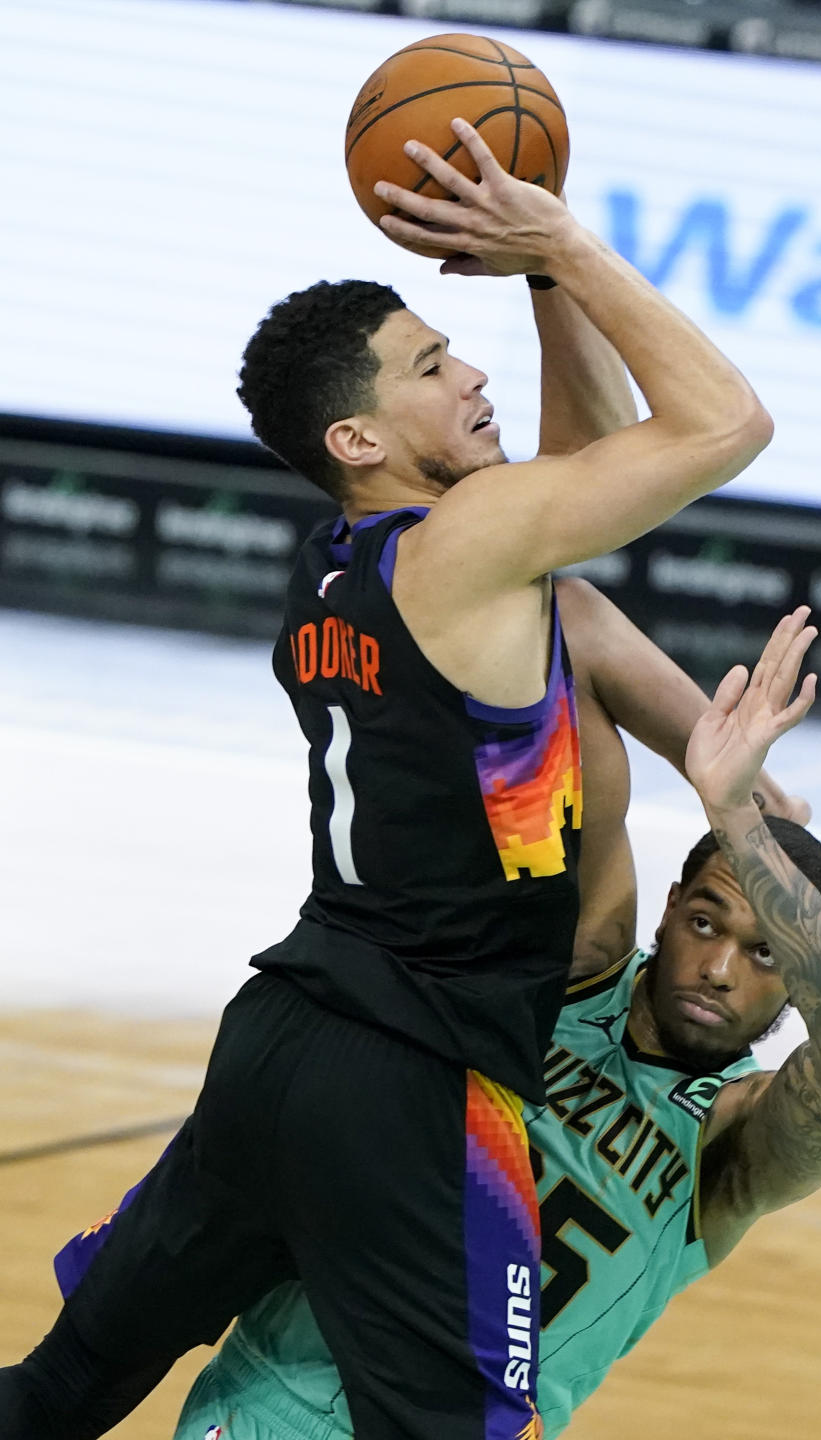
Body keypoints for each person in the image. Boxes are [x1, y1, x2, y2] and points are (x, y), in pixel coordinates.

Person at [0, 118, 773, 1440]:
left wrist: (539, 284)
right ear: (358, 437)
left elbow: (570, 492)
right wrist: (567, 244)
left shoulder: (347, 567)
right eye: (431, 364)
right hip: (415, 1078)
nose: (470, 374)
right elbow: (726, 423)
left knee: (63, 1390)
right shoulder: (471, 546)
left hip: (285, 1040)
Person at [168, 608, 821, 1439]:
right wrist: (731, 776)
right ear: (667, 912)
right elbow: (571, 623)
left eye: (766, 955)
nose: (720, 969)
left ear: (802, 984)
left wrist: (739, 820)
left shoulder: (732, 1145)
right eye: (705, 924)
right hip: (287, 1396)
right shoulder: (575, 970)